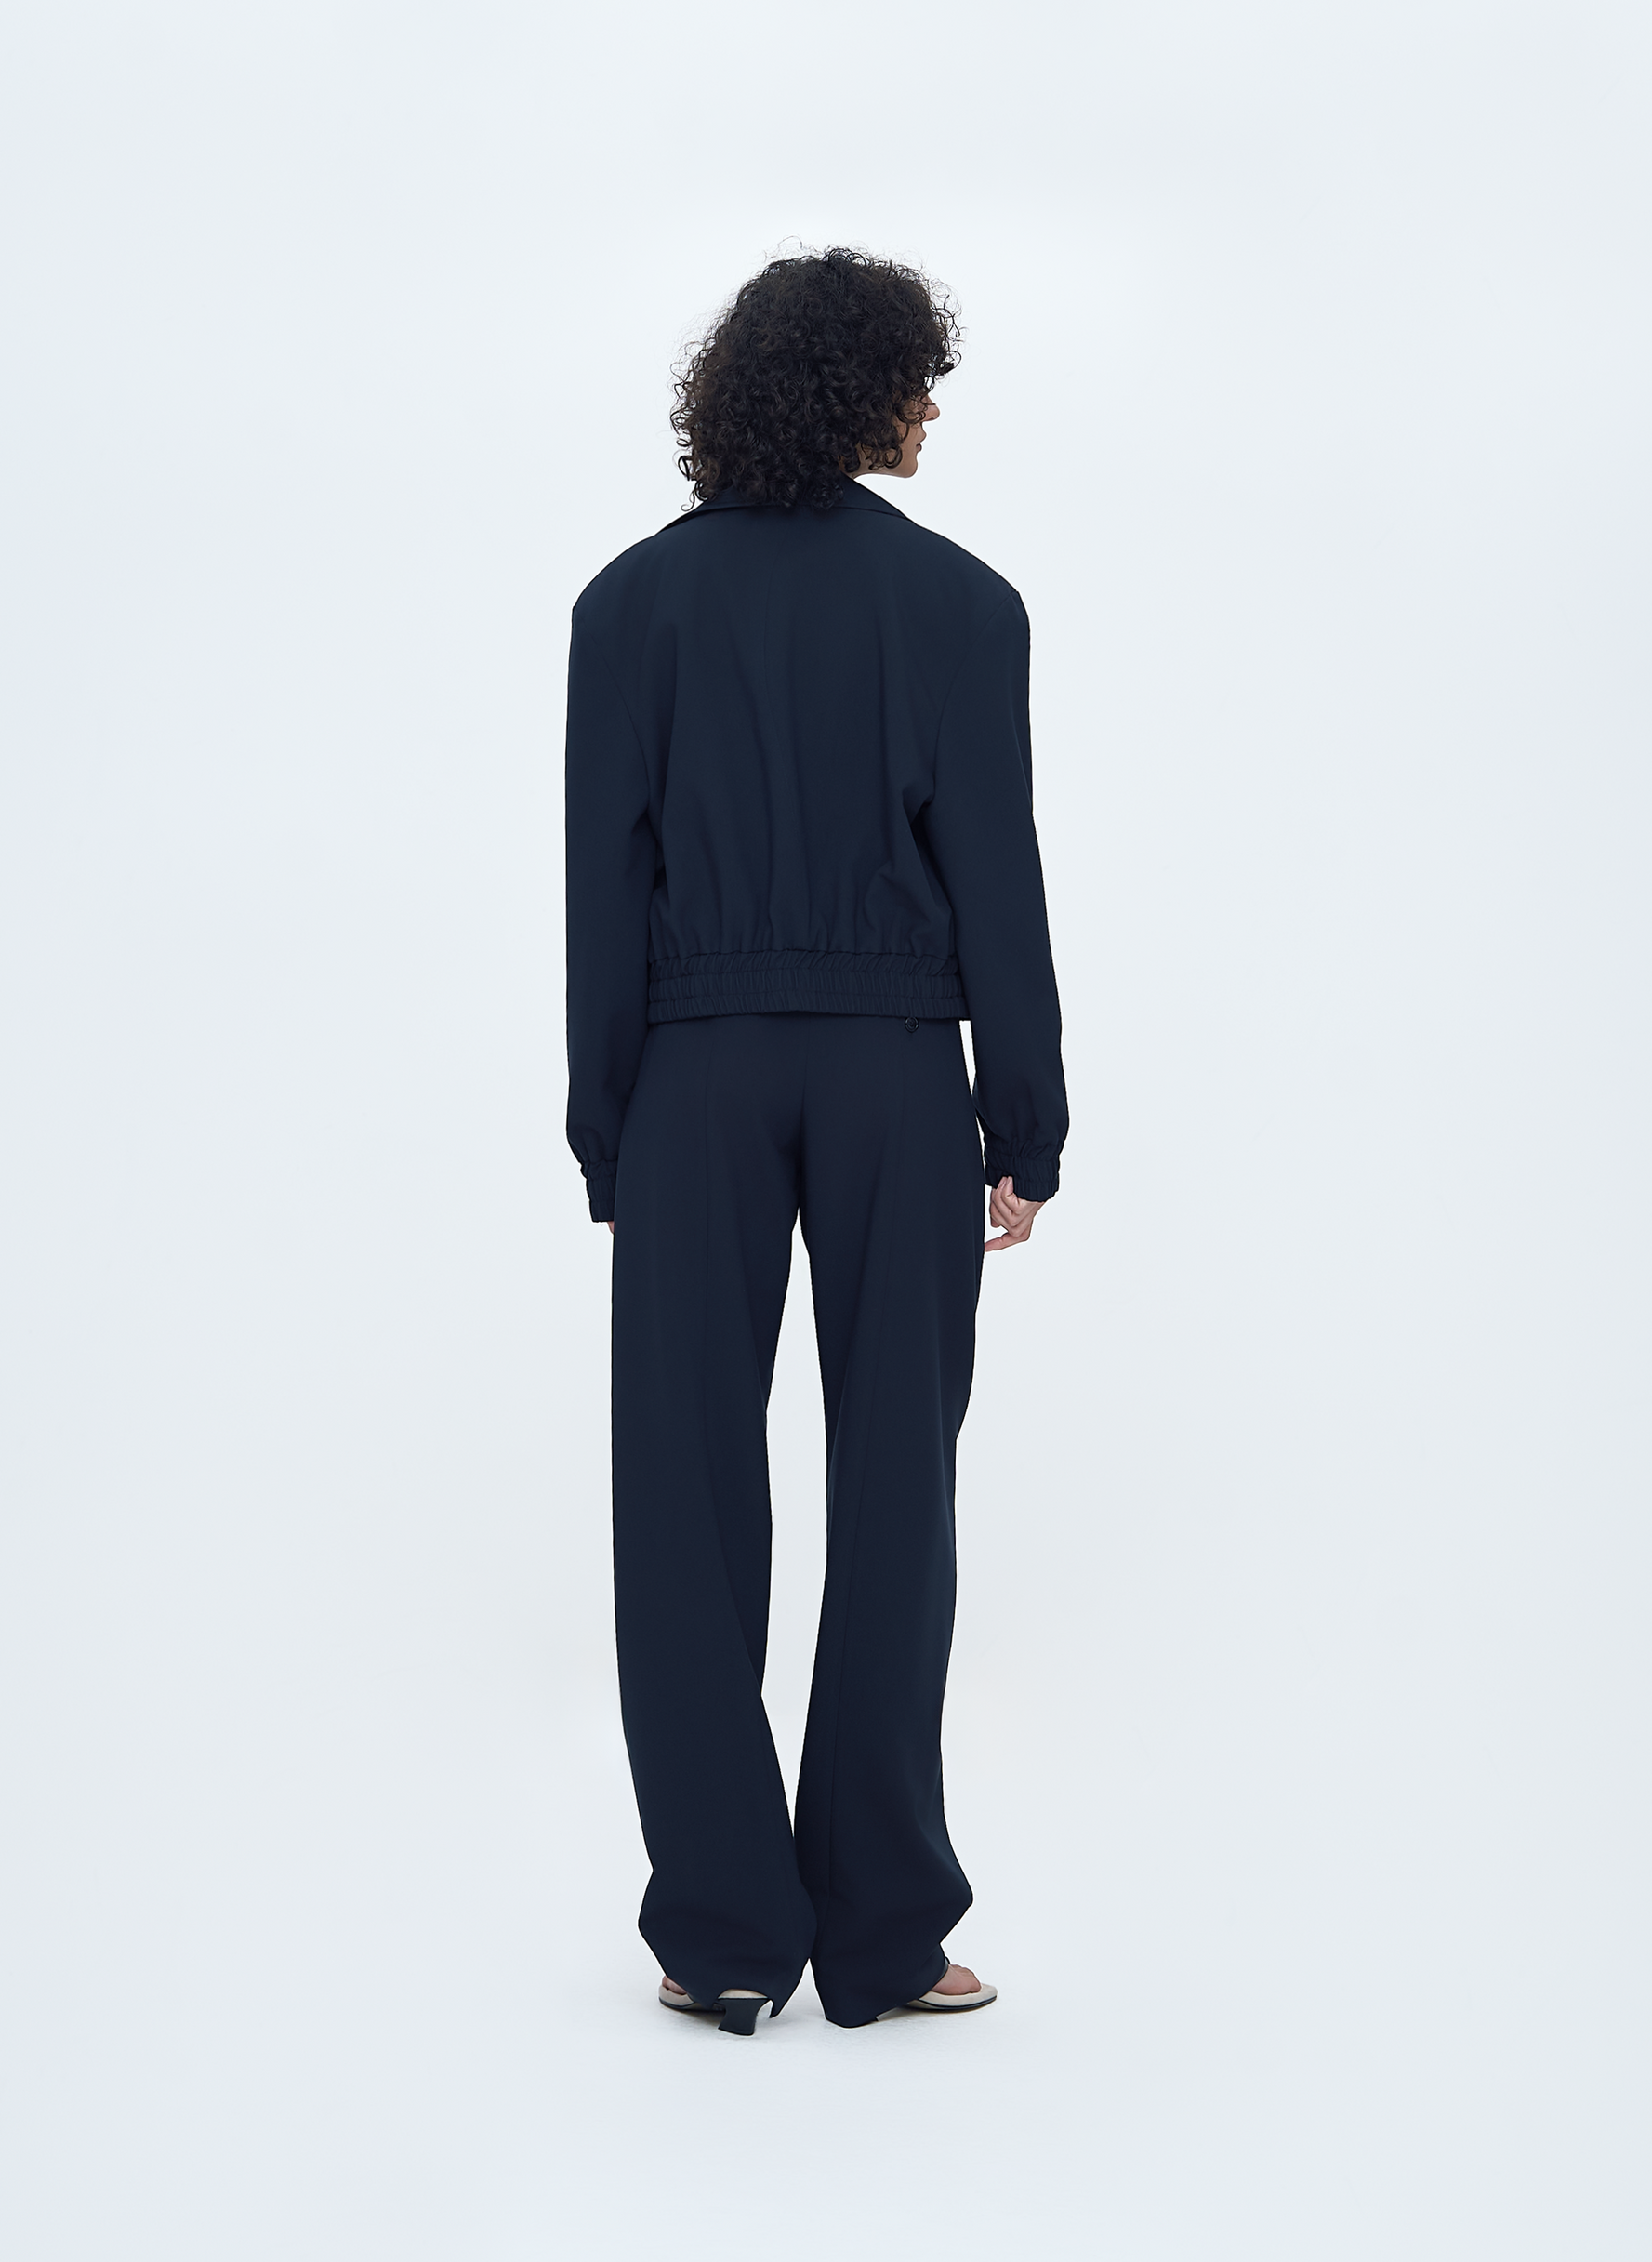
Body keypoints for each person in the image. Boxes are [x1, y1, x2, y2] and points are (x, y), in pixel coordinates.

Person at [564, 246, 1067, 2034]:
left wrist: (606, 1122)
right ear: (858, 393)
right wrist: (1024, 1120)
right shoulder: (962, 606)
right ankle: (882, 1929)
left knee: (679, 1496)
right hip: (892, 1079)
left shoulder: (629, 605)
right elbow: (995, 881)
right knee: (897, 1493)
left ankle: (719, 1929)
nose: (929, 411)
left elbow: (602, 887)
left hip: (691, 1082)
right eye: (916, 381)